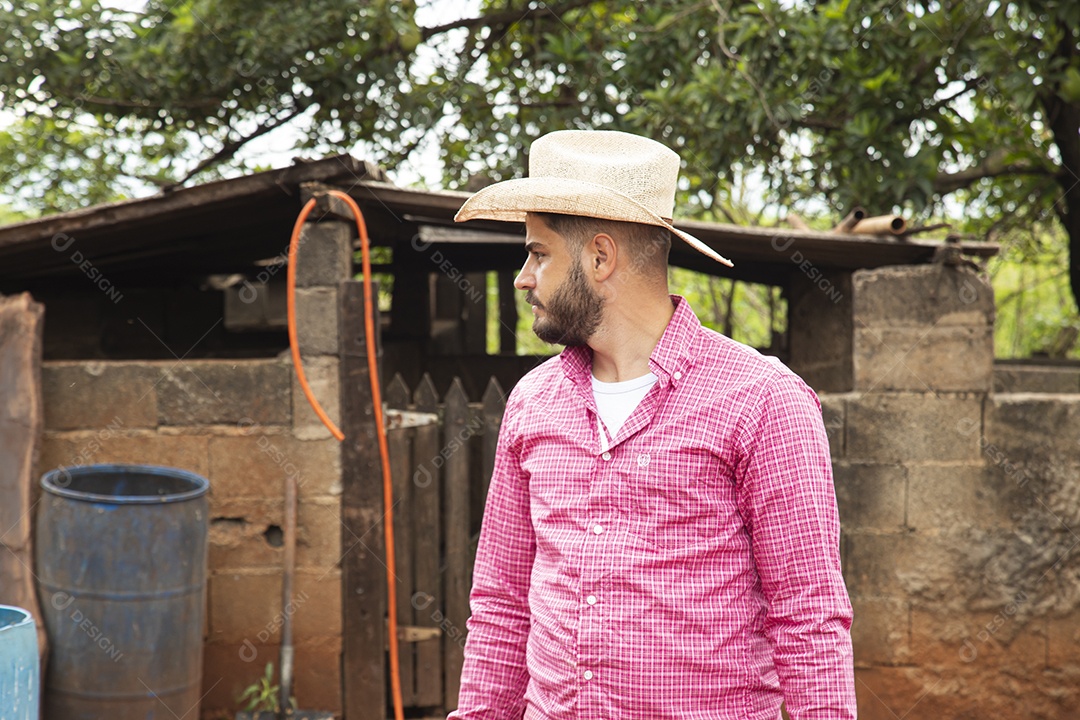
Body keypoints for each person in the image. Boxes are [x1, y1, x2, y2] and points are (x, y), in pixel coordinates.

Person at [448, 129, 855, 719]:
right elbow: (501, 606)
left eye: (538, 253)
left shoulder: (763, 400)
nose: (523, 277)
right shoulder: (533, 402)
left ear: (600, 257)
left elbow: (808, 618)